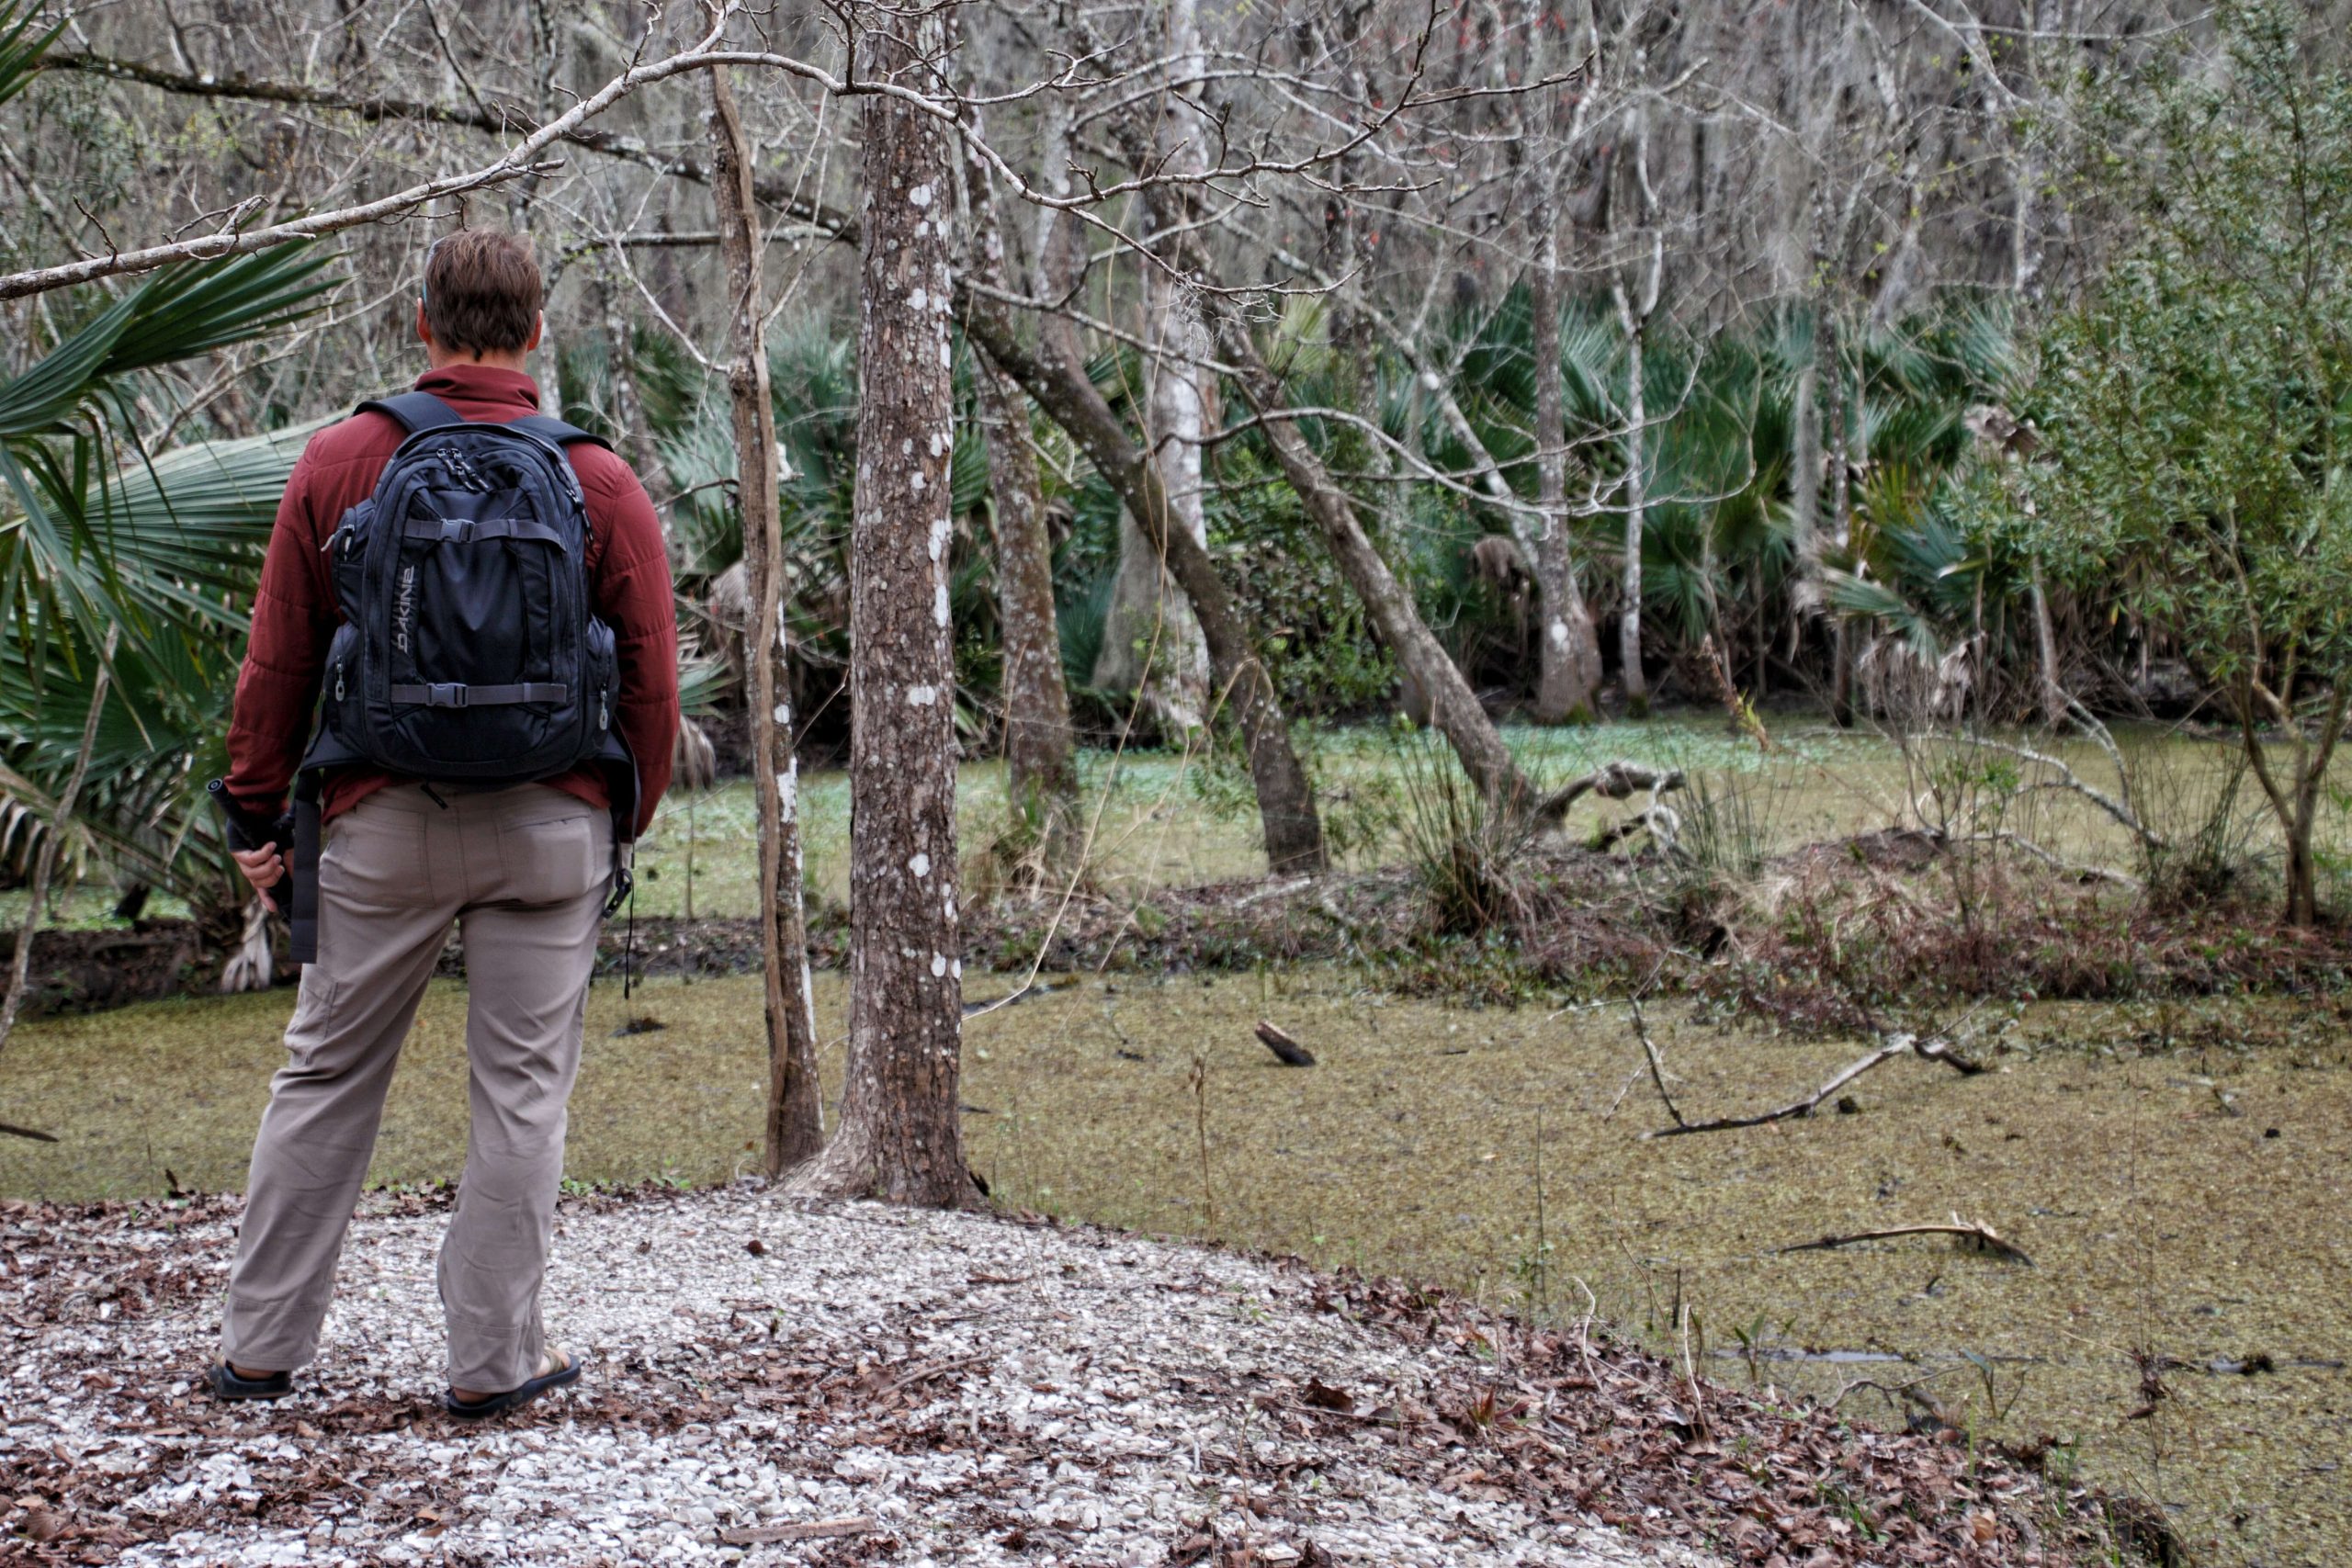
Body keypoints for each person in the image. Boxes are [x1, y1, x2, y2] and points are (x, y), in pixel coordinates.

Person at [209, 229, 679, 1417]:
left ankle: (260, 1350)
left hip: (380, 826)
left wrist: (256, 813)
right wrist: (622, 818)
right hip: (549, 830)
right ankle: (492, 1365)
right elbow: (653, 688)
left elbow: (278, 662)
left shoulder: (340, 461)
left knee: (323, 1077)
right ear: (536, 335)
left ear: (421, 327)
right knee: (521, 1096)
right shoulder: (599, 481)